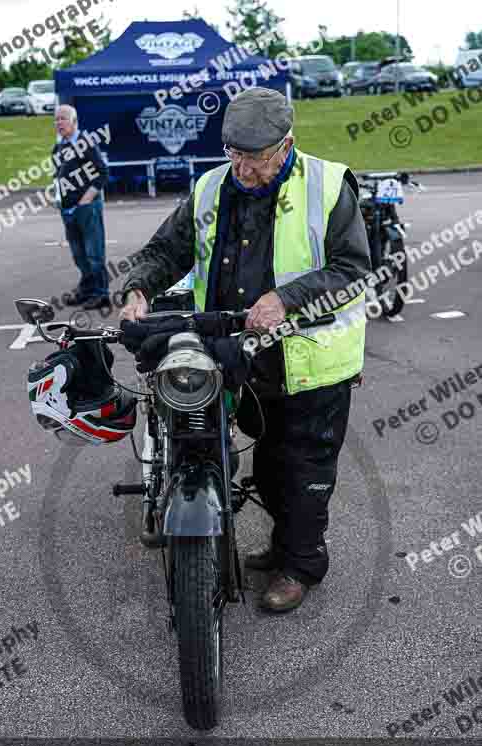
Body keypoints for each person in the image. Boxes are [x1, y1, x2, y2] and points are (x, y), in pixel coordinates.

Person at [119, 87, 371, 613]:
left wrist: (286, 298)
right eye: (234, 154)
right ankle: (281, 547)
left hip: (308, 358)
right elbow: (169, 248)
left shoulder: (327, 186)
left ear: (286, 145)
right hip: (239, 355)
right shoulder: (214, 186)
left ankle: (301, 565)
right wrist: (139, 286)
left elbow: (353, 271)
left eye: (255, 158)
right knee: (269, 463)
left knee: (305, 470)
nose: (243, 168)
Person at [53, 104, 110, 311]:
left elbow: (103, 173)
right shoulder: (59, 147)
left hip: (86, 208)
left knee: (94, 253)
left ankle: (101, 294)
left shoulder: (85, 143)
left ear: (74, 122)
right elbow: (58, 175)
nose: (58, 123)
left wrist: (87, 199)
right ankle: (87, 289)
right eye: (56, 119)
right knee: (79, 254)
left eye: (63, 119)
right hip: (67, 209)